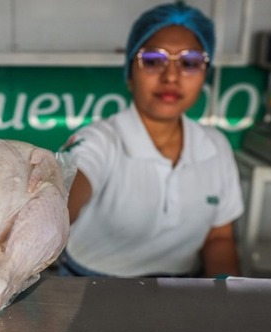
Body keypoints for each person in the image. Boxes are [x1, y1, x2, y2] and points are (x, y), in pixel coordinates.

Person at [58, 1, 244, 278]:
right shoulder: (101, 140)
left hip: (181, 291)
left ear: (205, 73)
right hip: (90, 287)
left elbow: (219, 238)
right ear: (129, 74)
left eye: (190, 62)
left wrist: (226, 299)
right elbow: (61, 202)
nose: (171, 76)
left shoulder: (215, 146)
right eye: (153, 60)